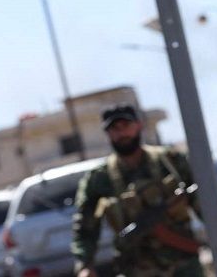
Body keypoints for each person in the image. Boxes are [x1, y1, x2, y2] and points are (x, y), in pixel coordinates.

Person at [72, 104, 203, 277]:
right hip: (136, 267)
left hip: (183, 263)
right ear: (107, 133)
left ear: (138, 125)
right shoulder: (99, 178)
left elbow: (203, 202)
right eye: (114, 129)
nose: (122, 133)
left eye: (126, 125)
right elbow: (85, 225)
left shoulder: (170, 161)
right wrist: (84, 264)